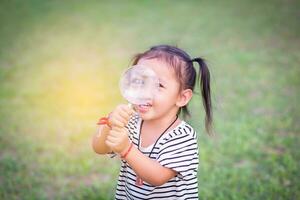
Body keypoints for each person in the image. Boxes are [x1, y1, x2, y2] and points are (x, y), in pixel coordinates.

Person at [92, 44, 213, 199]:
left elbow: (158, 177)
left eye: (159, 85)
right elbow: (99, 148)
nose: (145, 91)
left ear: (181, 97)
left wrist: (126, 149)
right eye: (140, 82)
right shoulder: (130, 122)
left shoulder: (182, 137)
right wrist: (109, 123)